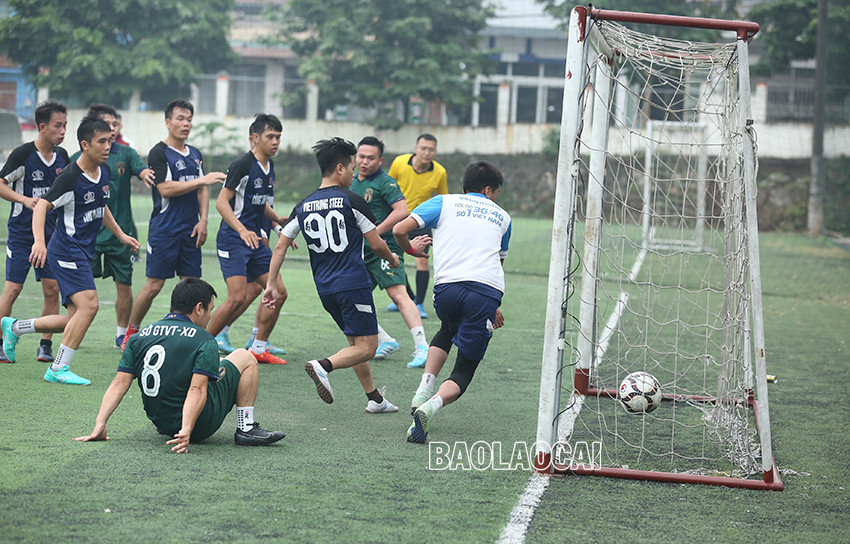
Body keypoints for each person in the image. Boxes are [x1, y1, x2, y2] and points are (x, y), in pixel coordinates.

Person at [262, 137, 400, 414]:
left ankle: (375, 399)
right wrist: (392, 258)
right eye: (352, 168)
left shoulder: (303, 205)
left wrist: (270, 284)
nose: (355, 173)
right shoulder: (353, 200)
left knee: (355, 343)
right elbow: (376, 244)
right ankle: (323, 366)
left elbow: (280, 245)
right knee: (369, 347)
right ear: (339, 168)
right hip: (353, 284)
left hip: (325, 289)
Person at [1, 117, 140, 385]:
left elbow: (102, 207)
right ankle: (58, 367)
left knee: (74, 318)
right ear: (85, 145)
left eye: (110, 140)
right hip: (65, 252)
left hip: (81, 252)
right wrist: (39, 242)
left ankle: (14, 327)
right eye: (102, 141)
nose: (108, 146)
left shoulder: (104, 171)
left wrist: (121, 234)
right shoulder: (70, 177)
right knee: (90, 306)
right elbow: (41, 206)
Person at [75, 278, 285, 452]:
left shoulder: (139, 337)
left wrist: (100, 423)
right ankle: (246, 428)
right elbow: (196, 389)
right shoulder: (204, 340)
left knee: (208, 366)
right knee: (244, 357)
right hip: (199, 425)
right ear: (198, 308)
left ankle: (183, 425)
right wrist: (187, 430)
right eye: (210, 309)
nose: (210, 315)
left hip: (163, 424)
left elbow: (120, 383)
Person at [393, 160, 511, 443]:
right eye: (496, 192)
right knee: (464, 370)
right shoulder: (503, 217)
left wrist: (412, 250)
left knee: (447, 328)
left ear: (463, 187)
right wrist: (491, 304)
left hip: (445, 289)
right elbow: (498, 262)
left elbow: (399, 229)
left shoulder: (443, 202)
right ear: (488, 190)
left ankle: (424, 387)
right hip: (484, 291)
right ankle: (430, 405)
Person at [120, 99, 225, 350]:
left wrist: (203, 221)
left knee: (193, 288)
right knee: (154, 285)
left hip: (191, 231)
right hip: (165, 230)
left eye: (189, 119)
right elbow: (165, 189)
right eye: (180, 118)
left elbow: (203, 190)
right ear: (168, 122)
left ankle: (191, 340)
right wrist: (203, 180)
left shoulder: (195, 154)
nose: (185, 123)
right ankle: (130, 332)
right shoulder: (159, 153)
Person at [70, 104, 154, 348]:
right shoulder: (77, 161)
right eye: (108, 125)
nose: (114, 129)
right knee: (81, 289)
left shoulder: (126, 153)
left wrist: (147, 173)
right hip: (89, 237)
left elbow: (141, 168)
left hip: (121, 234)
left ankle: (121, 335)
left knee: (124, 287)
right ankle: (72, 327)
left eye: (116, 124)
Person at [206, 114, 288, 365]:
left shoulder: (269, 166)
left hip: (255, 241)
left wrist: (277, 221)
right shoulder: (243, 164)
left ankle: (258, 347)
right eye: (270, 137)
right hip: (234, 239)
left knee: (279, 292)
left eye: (278, 137)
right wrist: (242, 231)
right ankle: (201, 347)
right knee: (237, 297)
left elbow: (259, 202)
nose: (275, 142)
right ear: (254, 138)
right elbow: (221, 203)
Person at [350, 136, 428, 368]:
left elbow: (402, 210)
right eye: (361, 156)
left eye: (370, 158)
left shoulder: (386, 182)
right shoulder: (351, 181)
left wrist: (373, 232)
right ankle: (385, 340)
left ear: (380, 160)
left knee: (398, 294)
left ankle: (423, 347)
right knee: (353, 298)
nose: (364, 162)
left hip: (384, 248)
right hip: (360, 251)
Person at [0, 101, 68, 363]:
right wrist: (24, 199)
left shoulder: (62, 157)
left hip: (52, 236)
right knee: (13, 289)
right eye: (57, 125)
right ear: (42, 127)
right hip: (21, 235)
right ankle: (2, 343)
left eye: (65, 126)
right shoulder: (23, 155)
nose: (62, 131)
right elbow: (1, 184)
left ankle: (45, 345)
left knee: (52, 290)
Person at [388, 133, 447, 319]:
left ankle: (419, 304)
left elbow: (443, 200)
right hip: (398, 220)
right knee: (396, 258)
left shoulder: (440, 172)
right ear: (416, 148)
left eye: (431, 149)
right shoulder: (399, 163)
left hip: (421, 221)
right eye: (423, 148)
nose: (426, 152)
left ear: (435, 152)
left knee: (422, 260)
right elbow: (387, 188)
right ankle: (407, 298)